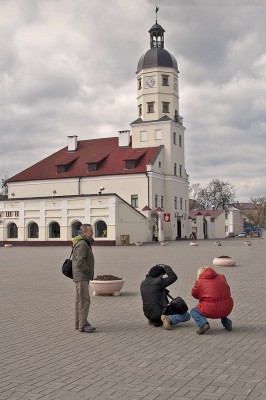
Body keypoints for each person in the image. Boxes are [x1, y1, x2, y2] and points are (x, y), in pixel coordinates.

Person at [140, 264, 190, 329]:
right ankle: (169, 319)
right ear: (160, 275)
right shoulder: (159, 281)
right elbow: (173, 277)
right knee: (187, 315)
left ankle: (154, 320)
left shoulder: (143, 283)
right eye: (162, 275)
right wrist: (166, 267)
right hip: (159, 314)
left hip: (147, 314)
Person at [190, 267, 233, 334]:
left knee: (194, 311)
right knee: (221, 303)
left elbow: (194, 294)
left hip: (211, 309)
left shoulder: (200, 281)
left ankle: (203, 324)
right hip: (228, 307)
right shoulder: (222, 276)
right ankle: (228, 324)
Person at [72, 224, 96, 333]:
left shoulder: (84, 242)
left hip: (81, 276)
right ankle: (84, 324)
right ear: (85, 232)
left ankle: (79, 323)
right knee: (84, 300)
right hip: (82, 276)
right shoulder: (82, 244)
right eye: (91, 231)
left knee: (80, 300)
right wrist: (88, 272)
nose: (93, 233)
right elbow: (80, 261)